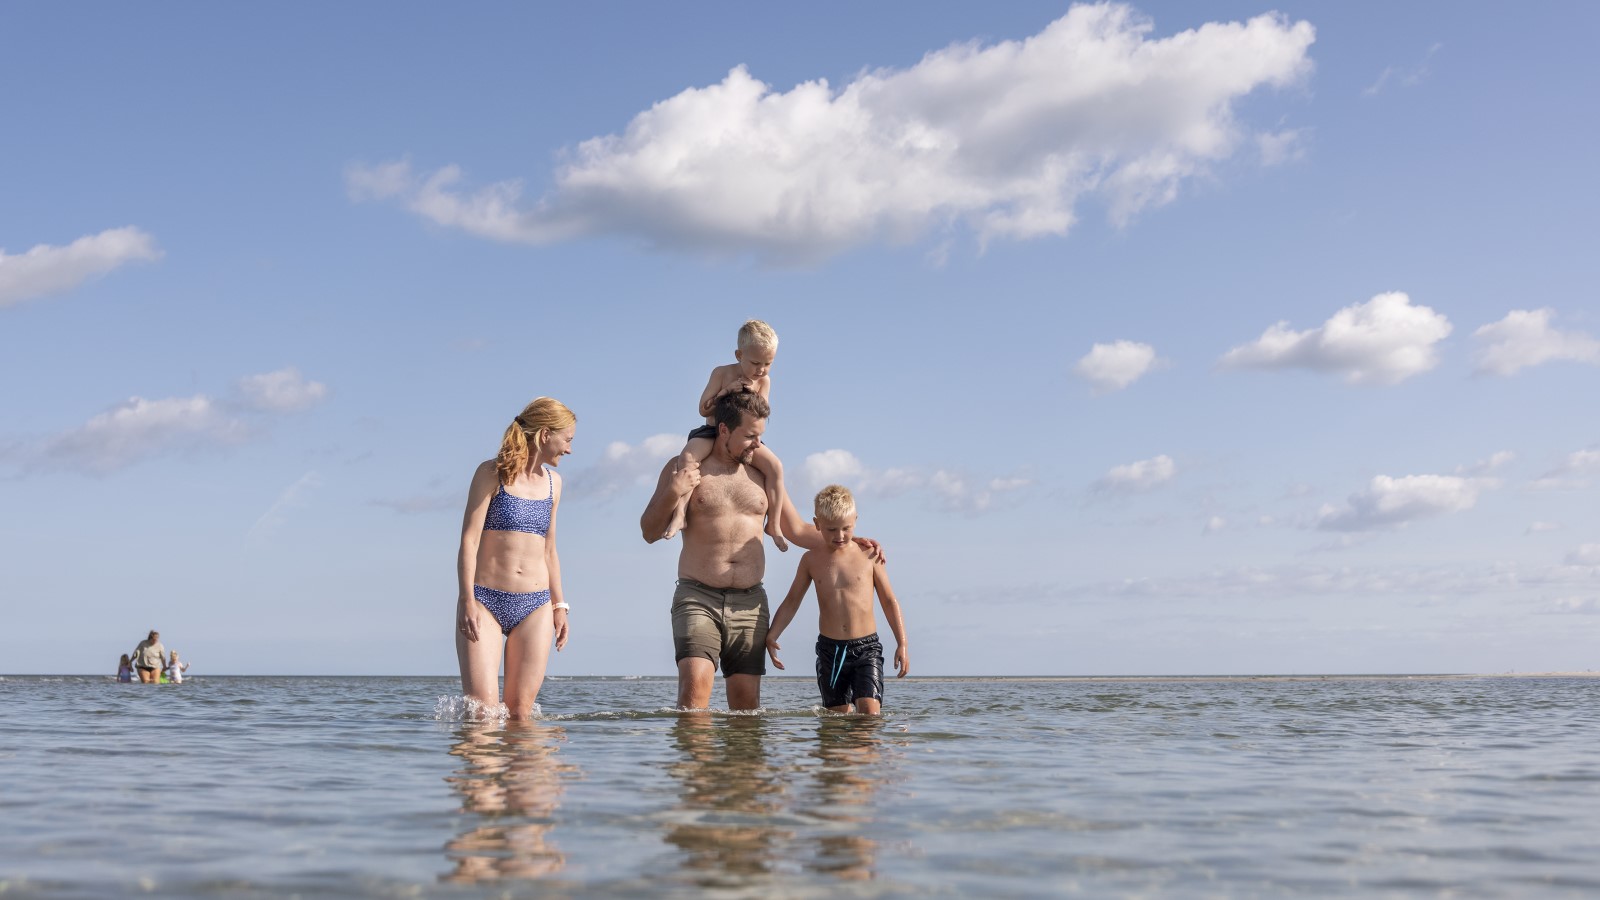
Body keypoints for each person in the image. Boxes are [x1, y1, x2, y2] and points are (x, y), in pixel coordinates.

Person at [641, 390, 880, 711]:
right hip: (698, 597)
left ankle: (739, 764)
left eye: (760, 436)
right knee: (694, 691)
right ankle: (695, 761)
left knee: (746, 706)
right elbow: (649, 531)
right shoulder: (685, 467)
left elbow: (797, 531)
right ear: (724, 429)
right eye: (750, 436)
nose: (757, 444)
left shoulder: (763, 474)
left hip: (749, 602)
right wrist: (674, 491)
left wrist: (853, 542)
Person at [456, 397, 575, 720]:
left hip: (535, 605)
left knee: (521, 715)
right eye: (568, 439)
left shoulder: (554, 483)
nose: (569, 449)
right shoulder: (492, 473)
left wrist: (559, 605)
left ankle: (522, 773)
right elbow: (469, 540)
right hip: (485, 602)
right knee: (483, 714)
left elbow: (550, 549)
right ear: (545, 434)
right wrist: (467, 599)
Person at [765, 485, 908, 714]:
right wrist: (772, 635)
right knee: (835, 718)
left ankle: (866, 749)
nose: (839, 536)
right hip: (830, 650)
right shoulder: (810, 560)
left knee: (869, 714)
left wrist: (902, 642)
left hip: (866, 648)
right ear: (817, 524)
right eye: (831, 530)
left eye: (846, 528)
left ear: (856, 521)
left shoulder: (869, 555)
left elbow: (889, 601)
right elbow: (792, 600)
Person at [663, 319, 792, 551]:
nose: (761, 369)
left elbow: (762, 412)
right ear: (738, 354)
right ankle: (680, 513)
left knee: (776, 467)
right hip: (712, 431)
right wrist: (726, 391)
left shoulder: (763, 381)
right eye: (755, 362)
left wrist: (754, 395)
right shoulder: (722, 373)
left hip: (744, 436)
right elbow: (703, 409)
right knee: (688, 458)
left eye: (768, 363)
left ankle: (774, 525)